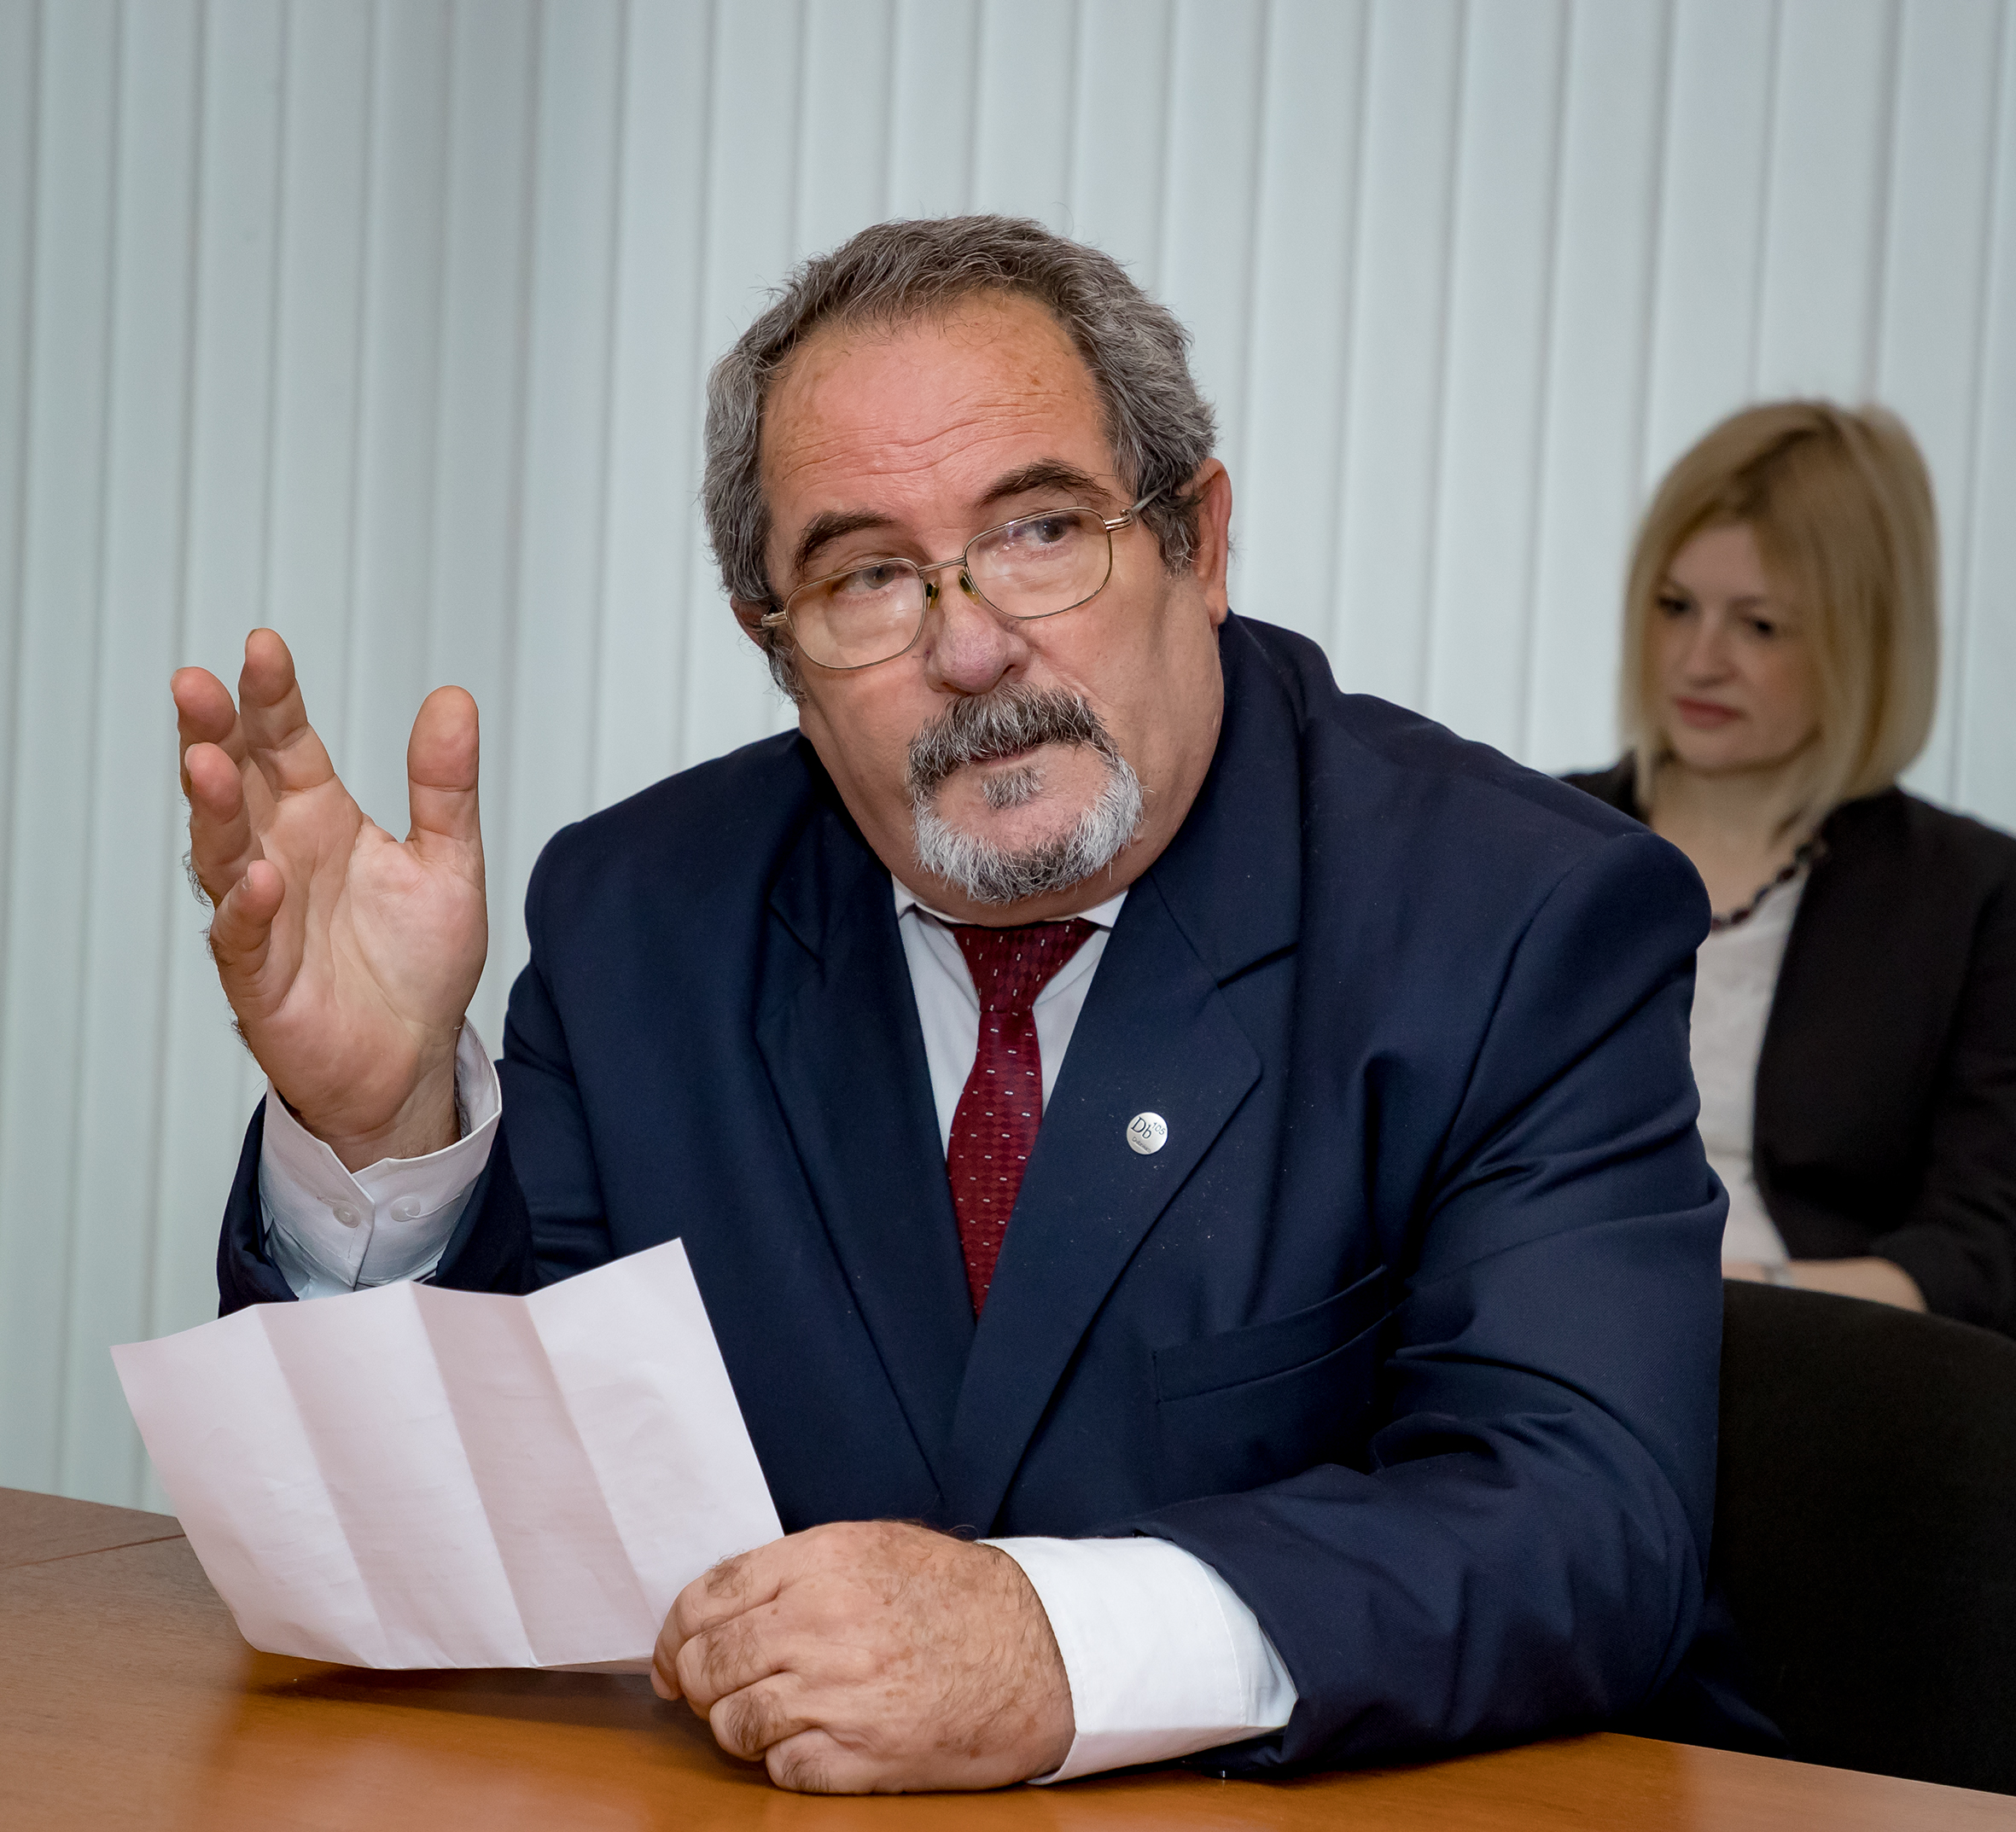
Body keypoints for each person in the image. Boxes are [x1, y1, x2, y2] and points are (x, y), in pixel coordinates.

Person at [172, 217, 1724, 1794]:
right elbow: (491, 1524)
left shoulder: (1513, 917)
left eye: (1040, 531)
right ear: (780, 651)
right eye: (865, 576)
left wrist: (1049, 1642)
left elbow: (1583, 1521)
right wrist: (383, 1129)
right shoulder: (645, 914)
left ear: (1198, 542)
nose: (971, 645)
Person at [1568, 401, 2016, 1334]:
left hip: (1812, 1353)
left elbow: (1980, 1255)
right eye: (1674, 607)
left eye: (1760, 626)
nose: (1699, 660)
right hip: (1534, 1324)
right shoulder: (1532, 836)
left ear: (1866, 644)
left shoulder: (1975, 898)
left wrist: (1737, 1295)